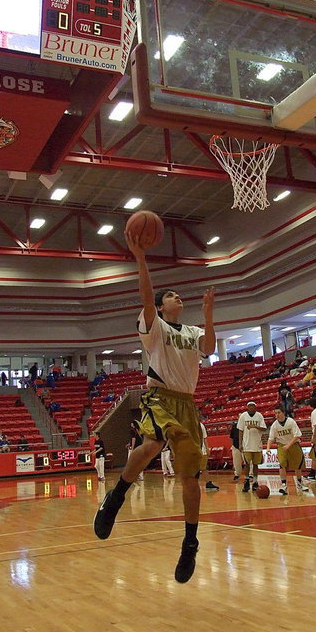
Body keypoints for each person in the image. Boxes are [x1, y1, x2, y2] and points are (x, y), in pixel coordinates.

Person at [93, 229, 216, 585]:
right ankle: (116, 497)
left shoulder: (191, 331)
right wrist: (141, 258)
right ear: (162, 307)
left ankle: (190, 542)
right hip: (159, 397)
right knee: (149, 445)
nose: (179, 298)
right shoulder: (156, 327)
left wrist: (208, 314)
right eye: (172, 296)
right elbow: (147, 298)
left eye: (179, 295)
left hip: (187, 404)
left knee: (190, 478)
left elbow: (208, 346)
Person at [266, 406, 309, 495]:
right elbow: (271, 438)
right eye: (275, 413)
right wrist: (268, 448)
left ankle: (300, 483)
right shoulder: (274, 425)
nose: (277, 415)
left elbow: (297, 435)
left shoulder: (291, 421)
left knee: (297, 465)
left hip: (293, 444)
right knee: (282, 464)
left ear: (283, 413)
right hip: (281, 445)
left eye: (278, 413)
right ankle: (284, 485)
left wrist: (288, 445)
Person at [237, 401, 267, 493]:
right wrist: (240, 443)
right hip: (246, 444)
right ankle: (246, 481)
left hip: (257, 444)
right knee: (246, 464)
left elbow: (264, 428)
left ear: (255, 407)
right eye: (249, 406)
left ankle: (255, 482)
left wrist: (254, 426)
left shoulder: (259, 416)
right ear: (247, 407)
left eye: (252, 406)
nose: (251, 407)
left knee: (256, 464)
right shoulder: (243, 416)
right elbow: (240, 430)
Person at [200, 420, 219, 491]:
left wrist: (207, 448)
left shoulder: (201, 425)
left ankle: (208, 483)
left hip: (201, 450)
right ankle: (207, 483)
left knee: (203, 468)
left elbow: (205, 439)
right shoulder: (189, 426)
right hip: (193, 450)